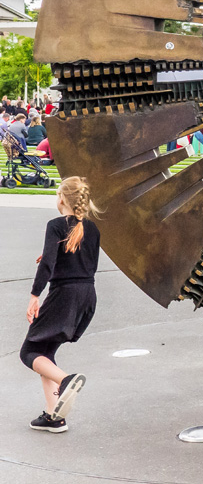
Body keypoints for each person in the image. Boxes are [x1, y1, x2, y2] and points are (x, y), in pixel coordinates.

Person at [20, 177, 101, 432]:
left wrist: (34, 295)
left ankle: (66, 380)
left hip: (64, 296)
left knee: (29, 352)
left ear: (63, 199)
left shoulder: (55, 226)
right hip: (87, 295)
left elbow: (47, 266)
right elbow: (83, 261)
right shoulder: (93, 229)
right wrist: (51, 256)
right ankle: (54, 416)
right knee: (46, 354)